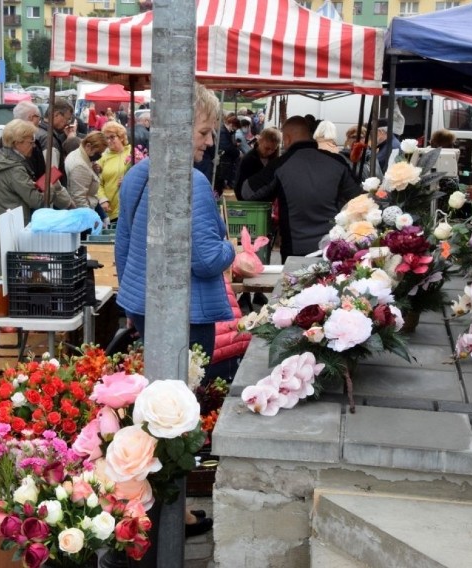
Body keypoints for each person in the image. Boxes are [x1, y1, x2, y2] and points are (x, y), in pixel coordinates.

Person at [115, 84, 234, 538]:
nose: (209, 142)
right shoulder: (194, 181)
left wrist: (131, 304)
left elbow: (124, 243)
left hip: (148, 308)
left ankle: (158, 510)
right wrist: (232, 252)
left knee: (153, 413)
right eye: (204, 132)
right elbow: (203, 256)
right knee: (181, 417)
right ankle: (174, 515)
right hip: (187, 313)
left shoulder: (136, 174)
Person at [241, 115, 362, 263]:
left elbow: (247, 192)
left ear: (287, 138)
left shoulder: (280, 165)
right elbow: (359, 199)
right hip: (332, 248)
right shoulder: (338, 162)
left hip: (294, 252)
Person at [0, 119, 73, 279]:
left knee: (5, 273)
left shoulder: (2, 159)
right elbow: (37, 201)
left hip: (2, 223)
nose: (33, 146)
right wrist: (51, 185)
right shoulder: (14, 168)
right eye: (30, 141)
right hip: (11, 227)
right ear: (17, 143)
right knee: (10, 276)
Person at [96, 121, 132, 224]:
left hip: (129, 205)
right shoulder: (102, 157)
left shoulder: (133, 153)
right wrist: (102, 199)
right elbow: (97, 182)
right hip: (110, 208)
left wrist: (128, 180)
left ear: (121, 137)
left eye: (112, 137)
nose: (109, 141)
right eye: (106, 138)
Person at [65, 131, 108, 214]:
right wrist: (89, 218)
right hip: (83, 213)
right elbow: (79, 199)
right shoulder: (80, 165)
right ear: (88, 146)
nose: (100, 155)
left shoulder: (82, 156)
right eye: (98, 152)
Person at [234, 126, 281, 200]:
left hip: (268, 202)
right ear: (260, 141)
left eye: (273, 149)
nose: (269, 152)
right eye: (267, 148)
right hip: (251, 202)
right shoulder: (248, 160)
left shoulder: (275, 160)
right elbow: (239, 185)